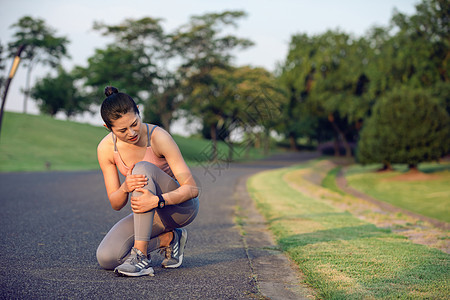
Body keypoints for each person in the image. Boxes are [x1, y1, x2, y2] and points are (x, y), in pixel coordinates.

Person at [96, 86, 199, 277]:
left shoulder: (158, 137)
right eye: (122, 130)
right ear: (108, 128)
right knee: (107, 257)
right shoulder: (106, 149)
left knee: (140, 168)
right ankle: (168, 239)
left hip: (180, 209)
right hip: (149, 213)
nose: (131, 132)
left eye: (134, 124)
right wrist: (125, 187)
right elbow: (116, 203)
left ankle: (141, 256)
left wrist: (158, 201)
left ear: (138, 109)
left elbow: (192, 189)